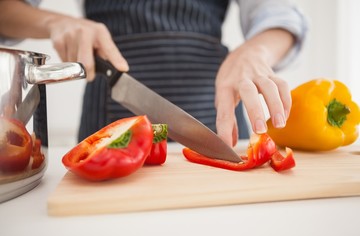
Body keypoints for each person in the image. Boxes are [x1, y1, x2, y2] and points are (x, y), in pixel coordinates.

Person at [0, 0, 307, 147]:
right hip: (108, 110)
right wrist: (56, 22)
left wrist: (255, 51)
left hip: (215, 113)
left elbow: (282, 14)